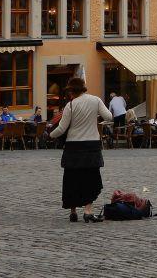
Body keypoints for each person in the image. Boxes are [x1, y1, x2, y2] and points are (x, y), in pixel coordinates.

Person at [50, 77, 112, 223]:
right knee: (91, 178)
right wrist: (94, 118)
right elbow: (109, 117)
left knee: (72, 179)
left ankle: (73, 212)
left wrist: (50, 134)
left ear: (72, 91)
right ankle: (87, 210)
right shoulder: (96, 100)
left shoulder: (70, 105)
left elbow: (62, 128)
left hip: (73, 147)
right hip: (92, 145)